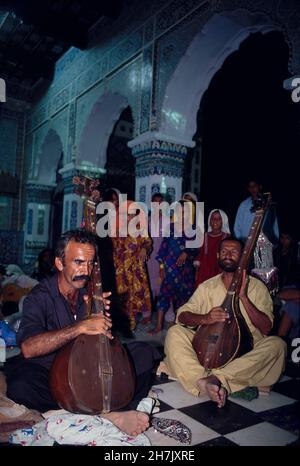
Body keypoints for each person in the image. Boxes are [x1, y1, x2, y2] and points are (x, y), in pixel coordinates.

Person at [4, 230, 159, 436]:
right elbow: (28, 348)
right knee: (21, 386)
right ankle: (108, 416)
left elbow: (104, 342)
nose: (86, 270)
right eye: (78, 262)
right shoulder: (39, 297)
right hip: (53, 373)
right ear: (60, 264)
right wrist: (80, 326)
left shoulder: (88, 292)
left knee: (145, 353)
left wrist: (103, 325)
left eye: (90, 263)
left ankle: (96, 411)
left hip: (87, 367)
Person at [164, 237, 286, 408]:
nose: (228, 255)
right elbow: (182, 315)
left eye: (234, 251)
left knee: (277, 345)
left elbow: (266, 328)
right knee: (175, 333)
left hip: (246, 351)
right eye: (224, 251)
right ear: (217, 255)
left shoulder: (258, 288)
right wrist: (205, 318)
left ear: (244, 256)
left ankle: (214, 378)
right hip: (208, 348)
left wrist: (243, 297)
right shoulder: (207, 286)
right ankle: (208, 380)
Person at [148, 200, 198, 335]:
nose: (182, 214)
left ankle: (182, 326)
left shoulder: (193, 229)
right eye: (180, 211)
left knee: (185, 298)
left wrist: (187, 252)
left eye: (185, 211)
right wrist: (161, 267)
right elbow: (163, 248)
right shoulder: (170, 227)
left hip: (185, 270)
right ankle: (158, 325)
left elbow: (196, 248)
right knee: (164, 296)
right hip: (169, 269)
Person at [112, 201, 152, 331]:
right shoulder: (116, 230)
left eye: (132, 215)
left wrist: (145, 248)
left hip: (135, 269)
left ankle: (131, 324)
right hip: (120, 270)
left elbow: (148, 243)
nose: (129, 218)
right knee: (121, 297)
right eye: (126, 215)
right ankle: (122, 324)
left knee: (134, 296)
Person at [234, 179, 279, 244]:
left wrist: (274, 242)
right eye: (250, 187)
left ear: (260, 187)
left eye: (255, 186)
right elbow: (237, 226)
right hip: (246, 243)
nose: (252, 189)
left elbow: (274, 225)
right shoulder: (243, 205)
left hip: (264, 244)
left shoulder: (268, 204)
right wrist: (239, 242)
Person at [194, 209, 230, 286]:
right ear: (209, 221)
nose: (215, 221)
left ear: (223, 221)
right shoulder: (204, 236)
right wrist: (197, 270)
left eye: (218, 219)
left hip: (219, 271)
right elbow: (200, 254)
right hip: (204, 271)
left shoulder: (227, 237)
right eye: (213, 218)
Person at [144, 192, 165, 325]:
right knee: (148, 285)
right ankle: (146, 314)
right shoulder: (146, 220)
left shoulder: (168, 221)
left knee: (162, 285)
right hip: (149, 259)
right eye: (154, 202)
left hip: (162, 259)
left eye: (159, 202)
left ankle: (165, 315)